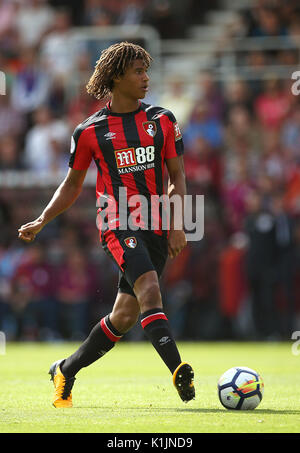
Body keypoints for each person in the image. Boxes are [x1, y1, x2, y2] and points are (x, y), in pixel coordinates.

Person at [18, 41, 195, 408]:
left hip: (158, 225)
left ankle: (65, 369)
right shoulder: (89, 132)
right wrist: (42, 219)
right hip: (118, 222)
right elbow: (71, 186)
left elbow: (177, 176)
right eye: (138, 72)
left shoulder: (162, 120)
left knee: (126, 315)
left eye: (147, 71)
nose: (146, 78)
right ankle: (179, 370)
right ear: (116, 77)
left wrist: (178, 223)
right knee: (150, 291)